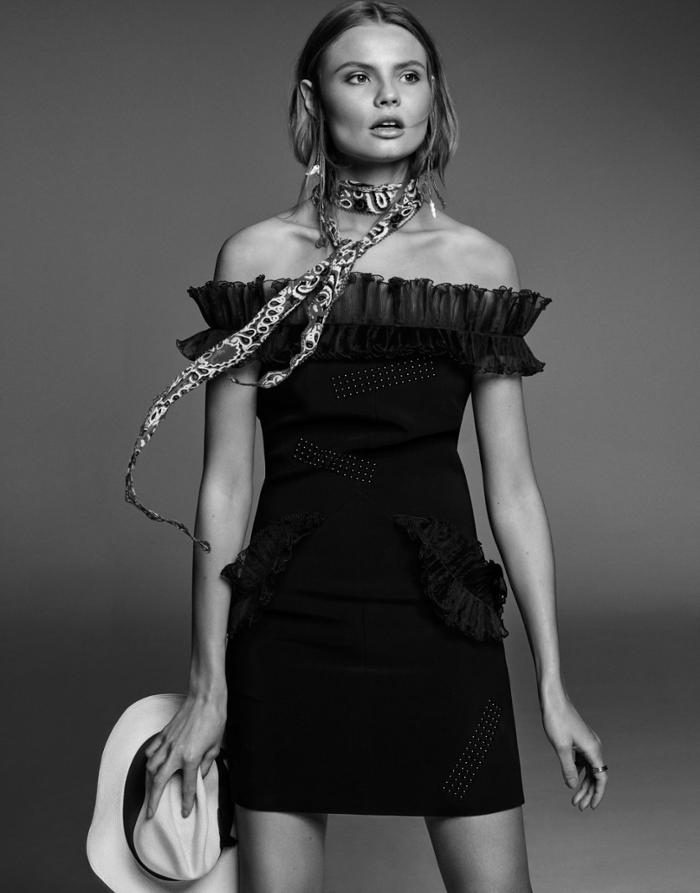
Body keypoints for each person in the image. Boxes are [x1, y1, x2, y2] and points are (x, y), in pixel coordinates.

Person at [127, 2, 608, 890]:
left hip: (442, 628)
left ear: (434, 99)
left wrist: (552, 686)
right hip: (288, 624)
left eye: (409, 75)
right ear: (315, 102)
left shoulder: (479, 267)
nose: (389, 97)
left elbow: (513, 491)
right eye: (360, 76)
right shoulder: (256, 258)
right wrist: (208, 685)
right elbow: (225, 483)